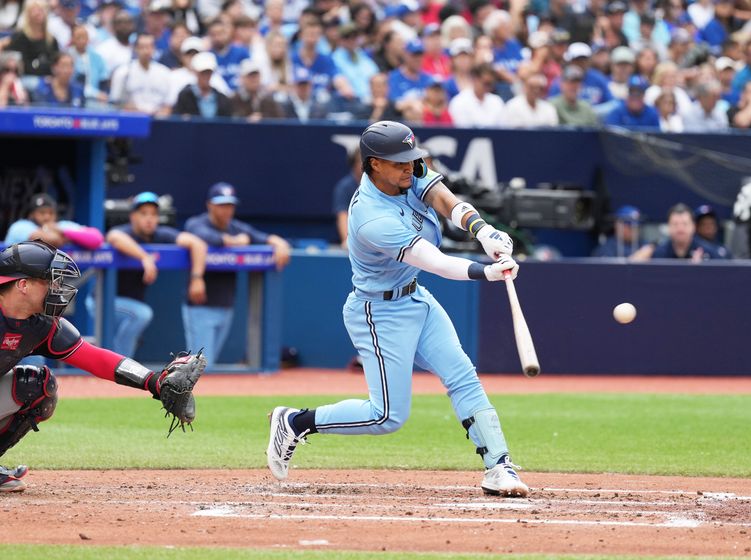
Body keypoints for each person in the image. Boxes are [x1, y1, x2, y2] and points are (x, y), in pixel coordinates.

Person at [266, 120, 529, 498]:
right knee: (386, 416)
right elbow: (436, 262)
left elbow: (445, 200)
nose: (411, 167)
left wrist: (483, 232)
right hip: (378, 312)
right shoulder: (372, 217)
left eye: (411, 159)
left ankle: (498, 466)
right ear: (374, 164)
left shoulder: (410, 173)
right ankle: (294, 421)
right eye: (400, 162)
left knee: (463, 376)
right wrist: (488, 271)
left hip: (415, 298)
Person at [0, 240, 205, 492]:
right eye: (48, 280)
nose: (56, 287)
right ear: (23, 285)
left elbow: (94, 357)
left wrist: (154, 382)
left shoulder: (41, 325)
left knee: (38, 387)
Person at [183, 183, 290, 368]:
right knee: (199, 367)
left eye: (229, 205)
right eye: (221, 205)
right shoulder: (197, 223)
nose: (226, 210)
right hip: (200, 305)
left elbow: (261, 237)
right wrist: (234, 241)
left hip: (225, 305)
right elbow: (201, 235)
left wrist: (280, 243)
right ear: (210, 205)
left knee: (208, 363)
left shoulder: (236, 226)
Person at [96, 191, 208, 358]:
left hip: (129, 305)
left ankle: (117, 362)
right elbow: (114, 236)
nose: (149, 219)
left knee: (137, 317)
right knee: (141, 314)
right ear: (133, 216)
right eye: (143, 213)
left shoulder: (161, 234)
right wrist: (144, 257)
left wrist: (197, 278)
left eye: (154, 214)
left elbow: (198, 244)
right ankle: (121, 363)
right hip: (102, 302)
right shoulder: (125, 231)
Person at [4, 192, 104, 250]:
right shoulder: (20, 226)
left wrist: (64, 232)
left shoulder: (60, 226)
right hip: (13, 279)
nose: (47, 217)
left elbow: (97, 238)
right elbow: (53, 241)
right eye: (42, 213)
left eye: (51, 213)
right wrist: (66, 237)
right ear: (32, 215)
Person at [631, 203, 729, 261]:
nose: (680, 228)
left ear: (693, 227)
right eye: (675, 224)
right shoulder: (657, 254)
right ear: (669, 227)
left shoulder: (709, 253)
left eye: (685, 224)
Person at [109, 33, 172, 116]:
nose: (146, 51)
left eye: (149, 47)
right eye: (142, 47)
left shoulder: (165, 72)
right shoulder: (123, 72)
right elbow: (116, 101)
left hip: (158, 120)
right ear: (135, 49)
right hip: (131, 118)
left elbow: (169, 103)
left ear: (154, 48)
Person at [172, 52, 234, 118]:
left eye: (208, 72)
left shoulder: (221, 99)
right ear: (196, 72)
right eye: (202, 73)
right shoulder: (185, 96)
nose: (206, 76)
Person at [331, 147, 361, 247]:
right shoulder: (345, 187)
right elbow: (342, 215)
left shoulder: (379, 186)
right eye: (361, 161)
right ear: (353, 164)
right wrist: (347, 240)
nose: (365, 166)